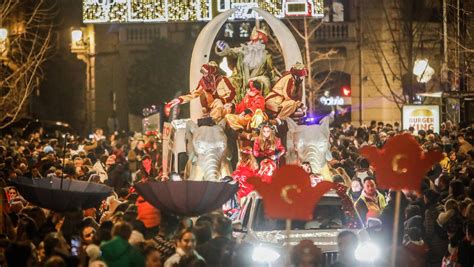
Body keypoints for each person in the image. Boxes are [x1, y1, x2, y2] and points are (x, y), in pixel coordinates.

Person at [215, 25, 277, 101]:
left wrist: (277, 82)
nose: (254, 44)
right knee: (227, 82)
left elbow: (271, 73)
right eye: (253, 42)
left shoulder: (266, 56)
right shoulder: (242, 51)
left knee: (264, 81)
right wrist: (224, 48)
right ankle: (229, 105)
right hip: (240, 80)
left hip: (258, 85)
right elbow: (231, 52)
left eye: (258, 42)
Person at [164, 62, 235, 123]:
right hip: (212, 108)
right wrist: (180, 99)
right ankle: (209, 119)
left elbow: (232, 93)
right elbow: (194, 94)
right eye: (203, 73)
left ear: (212, 71)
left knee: (218, 102)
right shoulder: (203, 82)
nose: (204, 75)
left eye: (206, 72)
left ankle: (210, 120)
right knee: (207, 97)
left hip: (225, 106)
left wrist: (223, 100)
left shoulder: (223, 80)